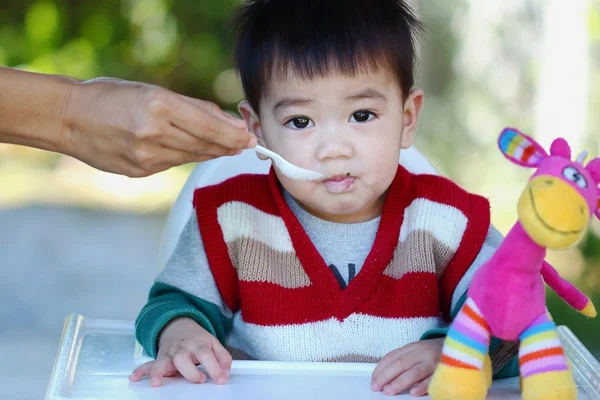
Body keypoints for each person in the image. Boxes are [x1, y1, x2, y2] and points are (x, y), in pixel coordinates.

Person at [130, 0, 519, 396]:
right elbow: (169, 306)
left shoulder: (448, 221)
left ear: (407, 118)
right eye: (300, 122)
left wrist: (459, 351)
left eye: (362, 115)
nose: (334, 149)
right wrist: (179, 332)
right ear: (258, 130)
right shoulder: (232, 219)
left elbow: (515, 316)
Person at [0, 66, 257, 177]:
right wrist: (70, 111)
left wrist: (71, 111)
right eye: (298, 121)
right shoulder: (225, 214)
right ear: (256, 124)